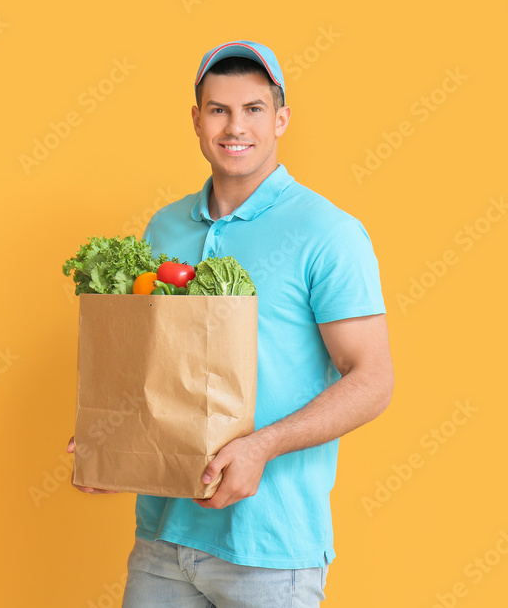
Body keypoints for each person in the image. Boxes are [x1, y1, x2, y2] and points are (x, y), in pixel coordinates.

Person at [66, 40, 395, 607]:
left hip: (270, 551)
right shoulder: (164, 228)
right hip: (163, 542)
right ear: (196, 120)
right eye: (218, 109)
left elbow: (372, 379)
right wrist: (113, 442)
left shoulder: (328, 233)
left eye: (254, 109)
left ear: (281, 118)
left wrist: (261, 447)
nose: (234, 126)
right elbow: (151, 368)